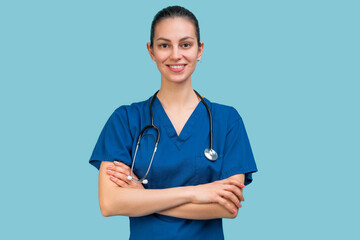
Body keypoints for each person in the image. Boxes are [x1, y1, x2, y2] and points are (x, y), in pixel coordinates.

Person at [89, 5, 257, 240]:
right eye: (164, 45)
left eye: (186, 44)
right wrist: (197, 193)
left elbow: (227, 207)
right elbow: (110, 203)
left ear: (200, 50)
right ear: (151, 51)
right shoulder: (125, 120)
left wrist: (143, 197)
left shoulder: (227, 120)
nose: (175, 55)